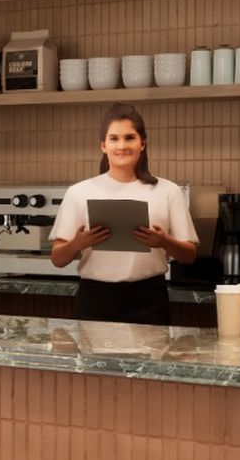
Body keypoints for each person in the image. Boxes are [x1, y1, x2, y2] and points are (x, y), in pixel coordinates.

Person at [48, 104, 198, 325]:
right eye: (114, 139)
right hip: (95, 299)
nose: (122, 146)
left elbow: (189, 255)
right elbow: (57, 259)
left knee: (149, 361)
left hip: (149, 298)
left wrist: (163, 241)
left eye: (129, 138)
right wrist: (78, 243)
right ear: (103, 145)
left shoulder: (168, 191)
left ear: (142, 143)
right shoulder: (78, 192)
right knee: (95, 361)